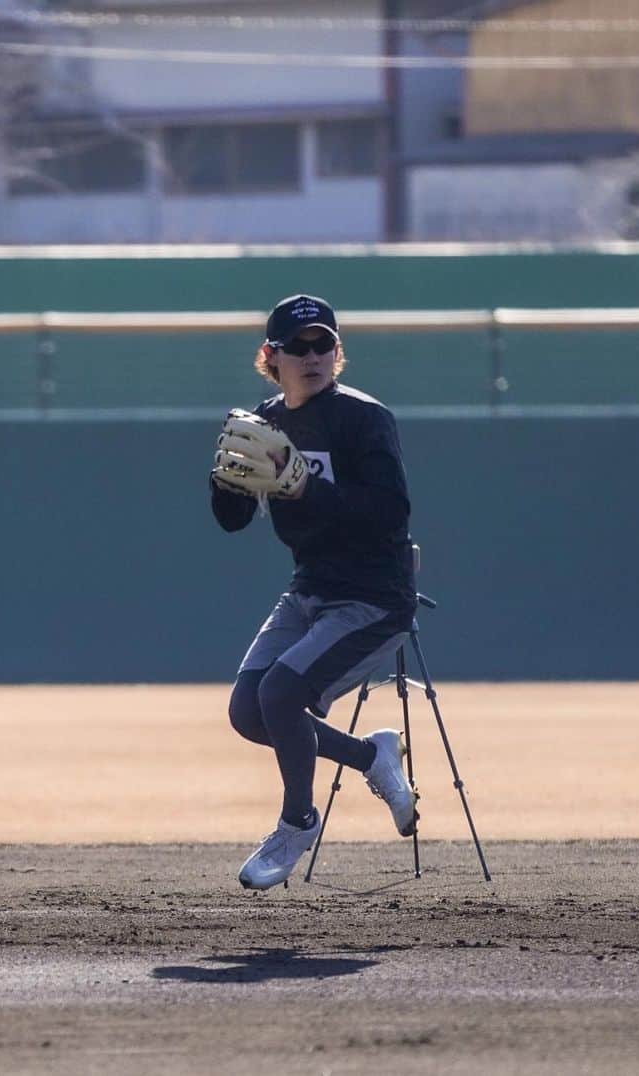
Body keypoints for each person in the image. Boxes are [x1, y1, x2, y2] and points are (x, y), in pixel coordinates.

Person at [210, 293, 419, 891]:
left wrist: (307, 489)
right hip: (310, 590)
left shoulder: (364, 418)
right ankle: (371, 756)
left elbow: (390, 513)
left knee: (280, 694)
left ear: (338, 352)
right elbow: (232, 519)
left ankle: (297, 823)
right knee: (250, 712)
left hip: (374, 598)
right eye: (296, 347)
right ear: (269, 357)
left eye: (323, 344)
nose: (311, 356)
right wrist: (224, 481)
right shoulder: (268, 419)